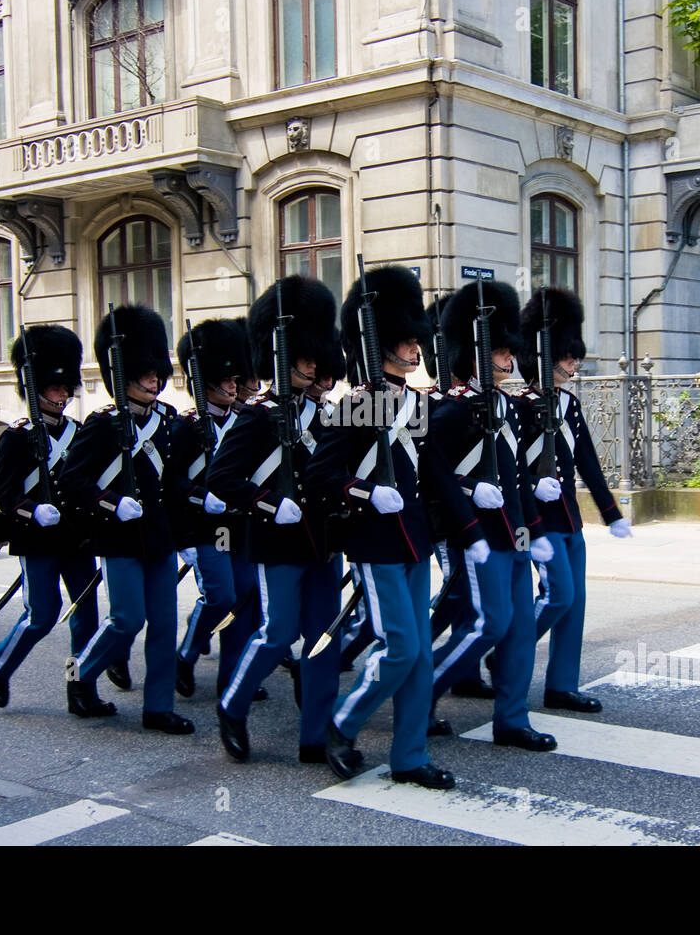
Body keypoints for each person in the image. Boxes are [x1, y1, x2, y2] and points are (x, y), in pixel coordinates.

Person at [309, 265, 480, 790]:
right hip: (375, 543)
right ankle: (342, 721)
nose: (416, 350)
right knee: (402, 647)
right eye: (406, 342)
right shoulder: (357, 405)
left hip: (413, 541)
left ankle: (409, 756)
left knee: (419, 656)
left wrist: (471, 532)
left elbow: (434, 473)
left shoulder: (415, 404)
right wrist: (363, 492)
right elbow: (321, 475)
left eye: (416, 341)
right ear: (382, 344)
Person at [208, 277, 343, 764]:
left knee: (326, 636)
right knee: (278, 632)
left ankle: (316, 736)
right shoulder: (258, 416)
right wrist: (266, 502)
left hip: (323, 542)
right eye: (306, 356)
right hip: (277, 542)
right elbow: (222, 478)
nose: (315, 364)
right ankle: (232, 704)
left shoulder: (329, 416)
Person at [427, 279, 559, 751]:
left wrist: (535, 528)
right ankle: (424, 693)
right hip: (478, 534)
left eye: (510, 351)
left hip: (515, 534)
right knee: (490, 623)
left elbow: (517, 475)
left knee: (521, 628)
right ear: (479, 354)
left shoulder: (506, 405)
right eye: (502, 352)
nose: (510, 359)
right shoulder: (452, 408)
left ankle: (511, 719)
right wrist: (468, 488)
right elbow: (428, 472)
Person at [58, 304, 193, 735]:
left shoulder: (167, 421)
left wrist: (186, 530)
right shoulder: (101, 424)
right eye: (146, 373)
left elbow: (174, 483)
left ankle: (158, 707)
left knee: (164, 624)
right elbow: (71, 480)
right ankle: (78, 675)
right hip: (118, 536)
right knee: (127, 620)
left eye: (157, 374)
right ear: (126, 374)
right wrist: (110, 502)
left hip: (158, 535)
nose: (155, 380)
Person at [514, 287, 632, 711]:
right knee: (557, 595)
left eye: (573, 355)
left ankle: (562, 684)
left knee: (574, 603)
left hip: (569, 520)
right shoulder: (521, 407)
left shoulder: (569, 404)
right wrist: (531, 485)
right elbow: (508, 470)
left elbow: (588, 462)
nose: (573, 362)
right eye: (566, 356)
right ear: (544, 356)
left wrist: (610, 512)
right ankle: (509, 650)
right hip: (537, 522)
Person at [0, 325, 98, 709]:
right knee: (42, 616)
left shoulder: (79, 433)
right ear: (36, 387)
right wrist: (34, 510)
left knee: (86, 619)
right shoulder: (16, 437)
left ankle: (79, 688)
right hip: (38, 539)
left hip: (77, 539)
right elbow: (4, 494)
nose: (63, 394)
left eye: (66, 387)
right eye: (55, 387)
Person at [166, 318, 265, 701]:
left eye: (233, 380)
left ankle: (233, 677)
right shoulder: (187, 427)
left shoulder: (241, 422)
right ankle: (187, 653)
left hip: (236, 525)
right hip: (203, 527)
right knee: (221, 596)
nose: (232, 386)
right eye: (224, 380)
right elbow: (171, 484)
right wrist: (198, 498)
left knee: (244, 597)